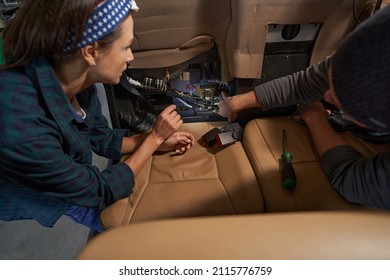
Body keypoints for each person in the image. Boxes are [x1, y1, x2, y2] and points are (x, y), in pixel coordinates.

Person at [0, 0, 195, 232]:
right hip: (30, 185)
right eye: (125, 47)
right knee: (82, 208)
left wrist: (156, 142)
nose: (130, 57)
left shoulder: (77, 77)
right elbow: (98, 192)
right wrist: (153, 139)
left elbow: (100, 138)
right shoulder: (23, 128)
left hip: (59, 164)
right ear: (91, 52)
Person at [218, 5, 390, 210]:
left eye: (342, 99)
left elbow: (352, 179)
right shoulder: (374, 47)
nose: (326, 95)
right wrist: (237, 102)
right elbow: (303, 84)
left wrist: (315, 118)